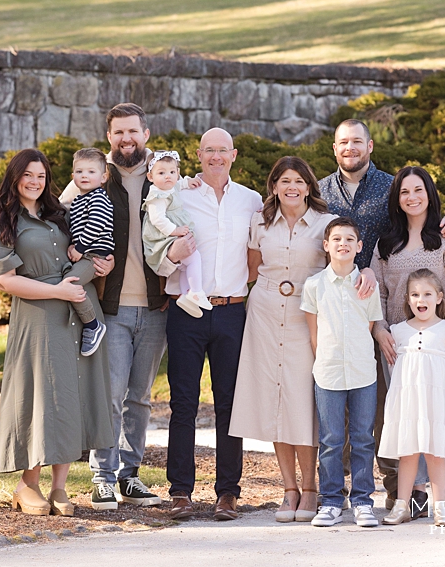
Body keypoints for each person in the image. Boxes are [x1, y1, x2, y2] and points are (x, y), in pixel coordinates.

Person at [318, 117, 445, 504]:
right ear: (335, 148)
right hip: (355, 317)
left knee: (399, 407)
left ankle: (408, 487)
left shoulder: (389, 187)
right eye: (342, 142)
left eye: (357, 141)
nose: (350, 148)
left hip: (419, 328)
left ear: (370, 146)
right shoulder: (320, 192)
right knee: (353, 408)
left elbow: (425, 213)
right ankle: (337, 491)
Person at [0, 148, 114, 516]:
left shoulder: (61, 212)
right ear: (15, 176)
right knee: (39, 397)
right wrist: (58, 290)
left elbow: (90, 247)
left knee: (72, 395)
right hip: (39, 316)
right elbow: (6, 280)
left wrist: (103, 260)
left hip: (80, 313)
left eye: (41, 176)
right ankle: (27, 485)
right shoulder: (2, 217)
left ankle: (60, 487)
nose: (35, 182)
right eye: (28, 175)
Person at [60, 103, 168, 510]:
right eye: (119, 133)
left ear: (146, 134)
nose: (127, 139)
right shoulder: (92, 176)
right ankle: (102, 476)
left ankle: (130, 476)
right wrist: (74, 247)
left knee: (139, 397)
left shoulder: (164, 176)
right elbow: (58, 218)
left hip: (157, 308)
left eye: (133, 132)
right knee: (110, 394)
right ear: (110, 137)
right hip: (111, 306)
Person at [155, 128, 263, 522]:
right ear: (198, 155)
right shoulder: (178, 195)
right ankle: (180, 492)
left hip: (232, 311)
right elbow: (158, 249)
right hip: (186, 309)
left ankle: (227, 493)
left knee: (229, 404)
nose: (216, 157)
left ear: (233, 155)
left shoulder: (250, 200)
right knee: (182, 402)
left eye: (223, 151)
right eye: (209, 151)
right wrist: (169, 261)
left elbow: (256, 256)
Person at [229, 156, 332, 523]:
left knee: (302, 399)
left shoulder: (325, 223)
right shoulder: (260, 221)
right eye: (285, 181)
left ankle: (311, 489)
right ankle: (288, 489)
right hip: (265, 312)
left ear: (309, 187)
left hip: (309, 313)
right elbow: (253, 266)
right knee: (274, 398)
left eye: (299, 181)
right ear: (273, 186)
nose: (292, 187)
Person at [371, 165, 445, 518]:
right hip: (397, 343)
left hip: (439, 341)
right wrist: (379, 328)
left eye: (418, 190)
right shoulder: (386, 244)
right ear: (396, 200)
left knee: (442, 414)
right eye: (404, 192)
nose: (411, 197)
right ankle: (414, 494)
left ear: (430, 193)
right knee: (408, 416)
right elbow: (379, 295)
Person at [301, 218, 383, 529]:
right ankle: (332, 500)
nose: (343, 244)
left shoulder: (366, 285)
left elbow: (370, 325)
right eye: (336, 239)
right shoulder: (314, 286)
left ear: (359, 247)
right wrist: (324, 359)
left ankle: (362, 501)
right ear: (326, 245)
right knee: (332, 440)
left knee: (363, 438)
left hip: (363, 372)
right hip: (328, 372)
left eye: (350, 239)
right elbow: (313, 333)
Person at [380, 268, 445, 528]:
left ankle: (440, 507)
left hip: (437, 402)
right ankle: (401, 506)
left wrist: (440, 393)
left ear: (439, 297)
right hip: (407, 402)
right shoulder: (398, 332)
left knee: (435, 452)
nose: (421, 300)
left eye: (427, 294)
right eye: (415, 294)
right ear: (407, 300)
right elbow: (393, 368)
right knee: (407, 453)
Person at [142, 150, 213, 318]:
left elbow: (180, 184)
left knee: (184, 267)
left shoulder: (171, 186)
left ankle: (184, 295)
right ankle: (196, 291)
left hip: (172, 235)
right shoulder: (157, 195)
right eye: (161, 173)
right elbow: (158, 219)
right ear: (150, 177)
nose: (168, 177)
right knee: (194, 258)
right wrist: (176, 231)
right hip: (163, 237)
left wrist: (190, 182)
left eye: (172, 172)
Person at [59, 147, 113, 355]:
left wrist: (79, 248)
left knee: (71, 282)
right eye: (80, 172)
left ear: (103, 177)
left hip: (95, 254)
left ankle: (92, 325)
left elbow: (97, 224)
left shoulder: (98, 198)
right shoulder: (80, 200)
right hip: (85, 253)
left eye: (91, 172)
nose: (85, 176)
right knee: (68, 279)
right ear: (73, 177)